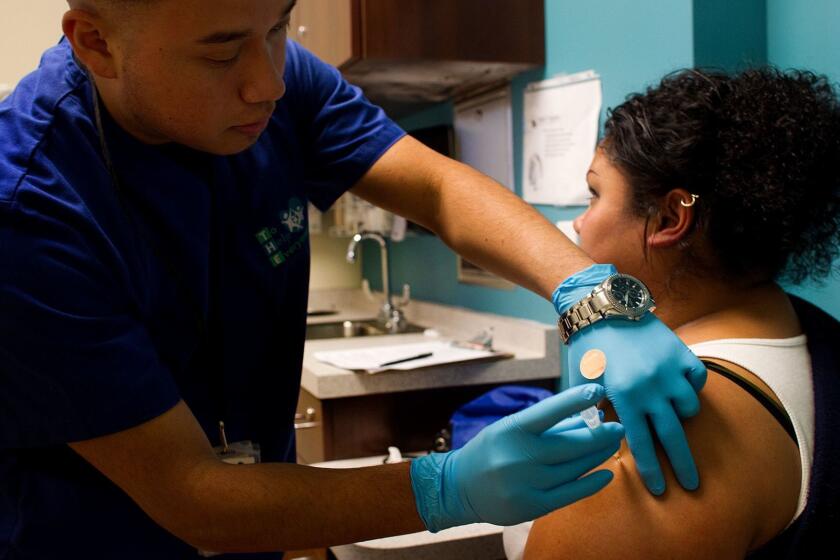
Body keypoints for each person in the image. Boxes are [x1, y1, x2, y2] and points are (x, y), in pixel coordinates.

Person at [0, 1, 706, 557]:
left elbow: (436, 190)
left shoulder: (275, 73)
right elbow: (195, 496)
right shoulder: (29, 208)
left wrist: (592, 295)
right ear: (94, 42)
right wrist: (447, 487)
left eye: (280, 25)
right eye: (220, 53)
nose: (268, 80)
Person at [503, 67, 840, 559]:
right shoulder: (809, 332)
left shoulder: (662, 430)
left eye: (595, 194)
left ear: (669, 218)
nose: (579, 222)